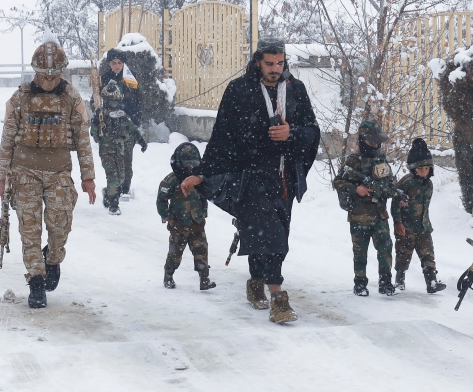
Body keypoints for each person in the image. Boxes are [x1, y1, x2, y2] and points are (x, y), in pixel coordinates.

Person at [180, 37, 320, 324]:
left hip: (283, 178)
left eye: (280, 63)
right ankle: (278, 298)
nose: (275, 68)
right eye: (269, 63)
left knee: (273, 233)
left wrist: (291, 134)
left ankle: (256, 279)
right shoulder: (239, 90)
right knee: (272, 236)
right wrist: (202, 173)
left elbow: (312, 131)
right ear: (257, 62)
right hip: (251, 177)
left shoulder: (295, 89)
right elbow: (222, 136)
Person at [0, 40, 97, 309]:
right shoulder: (20, 98)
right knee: (29, 228)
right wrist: (3, 177)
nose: (50, 81)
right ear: (36, 73)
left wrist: (88, 177)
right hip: (24, 171)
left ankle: (53, 258)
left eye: (54, 76)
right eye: (44, 76)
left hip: (59, 171)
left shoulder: (72, 98)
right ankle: (36, 281)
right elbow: (7, 138)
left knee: (60, 223)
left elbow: (83, 139)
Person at [332, 120, 404, 297]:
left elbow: (389, 183)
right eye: (372, 142)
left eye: (378, 142)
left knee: (385, 249)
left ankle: (385, 284)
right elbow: (338, 182)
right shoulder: (353, 160)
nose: (376, 145)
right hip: (359, 216)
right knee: (360, 253)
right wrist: (356, 189)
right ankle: (360, 284)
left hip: (379, 214)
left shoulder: (381, 159)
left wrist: (397, 194)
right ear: (363, 140)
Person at [156, 143, 216, 291]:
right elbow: (161, 200)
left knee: (201, 251)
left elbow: (204, 197)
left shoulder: (197, 180)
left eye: (193, 165)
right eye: (186, 165)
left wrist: (204, 214)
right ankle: (168, 276)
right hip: (179, 224)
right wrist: (167, 217)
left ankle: (204, 279)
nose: (190, 168)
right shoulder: (171, 180)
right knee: (175, 253)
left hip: (197, 223)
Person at [392, 138, 446, 294]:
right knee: (403, 254)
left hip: (423, 227)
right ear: (413, 168)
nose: (423, 172)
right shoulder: (406, 183)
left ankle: (432, 282)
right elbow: (395, 204)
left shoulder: (429, 185)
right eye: (420, 168)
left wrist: (426, 223)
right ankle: (399, 280)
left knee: (428, 254)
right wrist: (398, 222)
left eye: (427, 168)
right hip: (407, 227)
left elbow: (425, 206)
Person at [90, 79, 147, 215]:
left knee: (121, 177)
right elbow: (94, 134)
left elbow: (132, 128)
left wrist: (141, 141)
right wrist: (97, 123)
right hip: (106, 151)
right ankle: (114, 205)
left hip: (119, 150)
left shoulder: (122, 115)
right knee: (113, 177)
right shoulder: (100, 115)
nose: (114, 104)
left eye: (116, 102)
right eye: (111, 101)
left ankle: (108, 193)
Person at [99, 48, 140, 197]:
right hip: (109, 126)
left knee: (126, 158)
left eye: (120, 63)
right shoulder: (103, 79)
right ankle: (113, 189)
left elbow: (137, 101)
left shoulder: (130, 78)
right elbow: (97, 101)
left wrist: (135, 120)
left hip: (127, 124)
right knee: (112, 159)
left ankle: (125, 188)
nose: (117, 66)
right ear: (109, 64)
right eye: (114, 63)